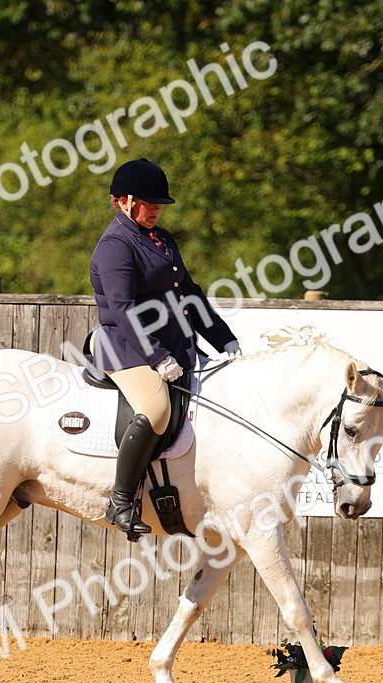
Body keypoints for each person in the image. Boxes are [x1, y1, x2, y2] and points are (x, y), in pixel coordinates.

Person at [89, 158, 241, 536]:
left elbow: (190, 294)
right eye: (148, 202)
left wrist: (225, 339)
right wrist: (157, 357)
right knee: (157, 410)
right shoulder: (115, 245)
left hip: (175, 346)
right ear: (123, 201)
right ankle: (120, 501)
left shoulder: (162, 239)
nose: (156, 208)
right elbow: (123, 310)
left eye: (159, 203)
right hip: (126, 348)